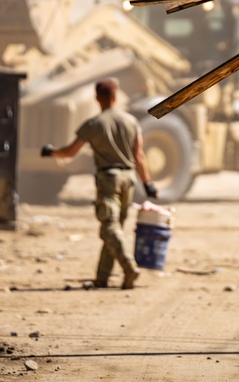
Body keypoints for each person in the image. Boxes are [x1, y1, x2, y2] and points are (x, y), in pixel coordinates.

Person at [41, 78, 158, 289]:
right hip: (129, 179)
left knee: (108, 229)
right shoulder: (131, 121)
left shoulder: (93, 124)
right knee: (116, 229)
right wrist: (148, 183)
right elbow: (139, 155)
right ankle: (102, 278)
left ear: (97, 98)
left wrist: (51, 152)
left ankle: (129, 266)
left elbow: (70, 152)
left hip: (109, 180)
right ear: (115, 96)